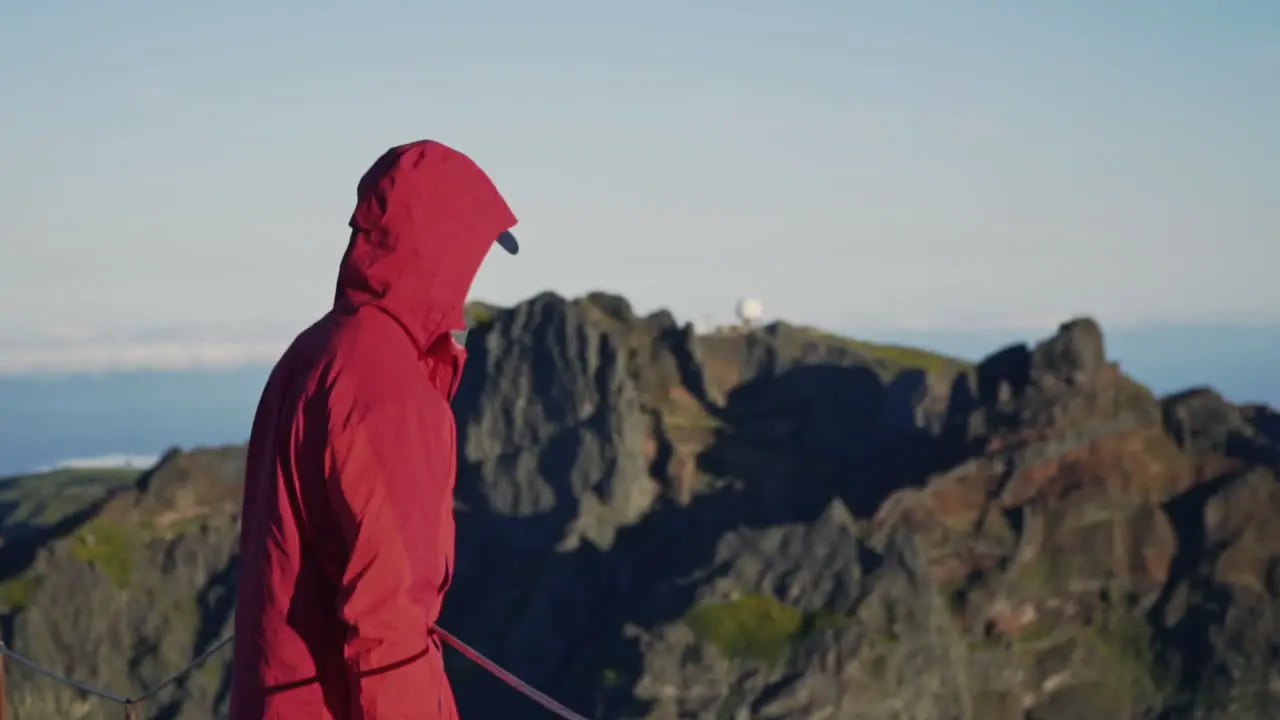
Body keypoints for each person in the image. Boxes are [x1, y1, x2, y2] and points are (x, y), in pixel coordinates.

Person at [230, 139, 519, 719]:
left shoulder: (314, 352)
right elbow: (390, 627)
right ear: (443, 247)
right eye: (475, 253)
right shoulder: (391, 393)